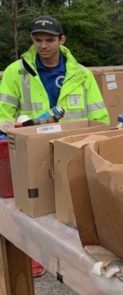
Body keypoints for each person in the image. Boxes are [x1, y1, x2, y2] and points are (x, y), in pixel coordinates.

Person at [0, 15, 110, 277]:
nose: (43, 45)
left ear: (62, 40)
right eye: (38, 40)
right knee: (33, 207)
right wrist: (13, 127)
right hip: (32, 147)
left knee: (72, 205)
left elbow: (99, 116)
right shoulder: (16, 71)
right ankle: (36, 256)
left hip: (69, 147)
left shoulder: (81, 75)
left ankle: (78, 260)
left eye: (50, 40)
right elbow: (4, 112)